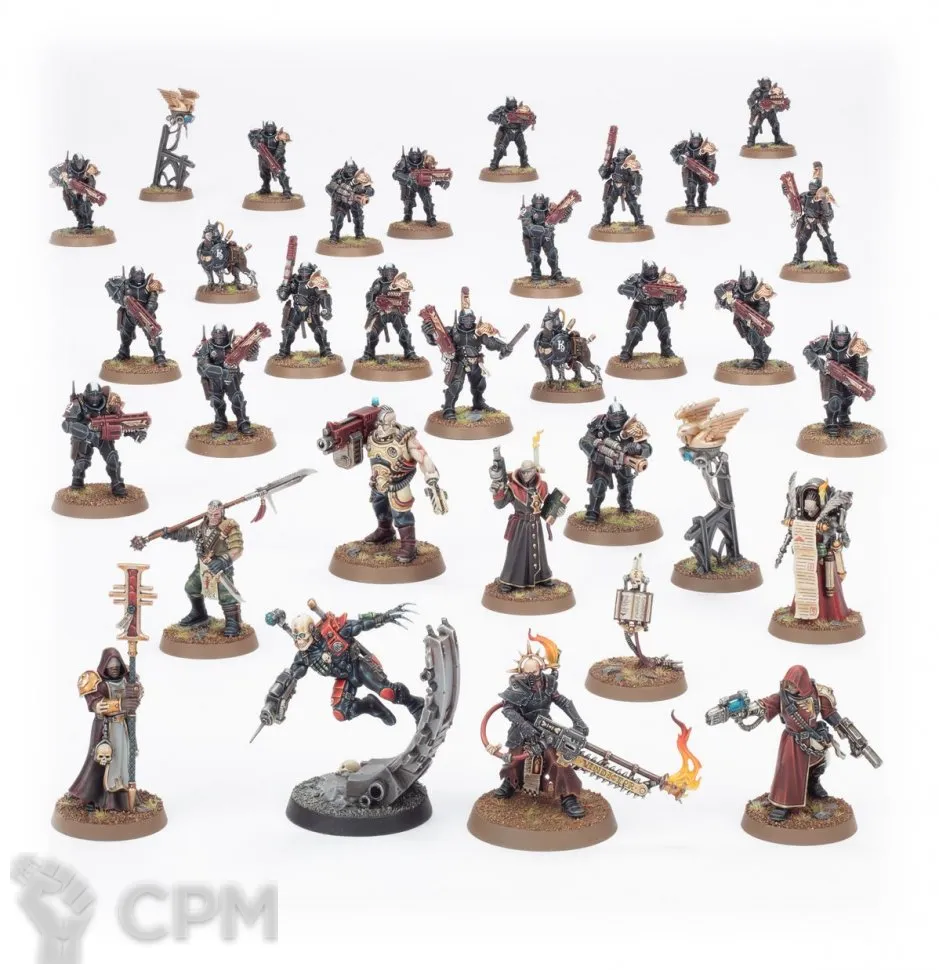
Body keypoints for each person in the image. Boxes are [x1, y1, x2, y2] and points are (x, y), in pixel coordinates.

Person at [490, 634, 588, 819]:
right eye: (526, 673)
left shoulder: (548, 683)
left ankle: (568, 796)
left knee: (558, 760)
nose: (530, 677)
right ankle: (511, 782)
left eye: (534, 672)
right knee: (515, 760)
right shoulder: (517, 686)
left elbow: (562, 701)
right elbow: (508, 709)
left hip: (546, 728)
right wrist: (525, 727)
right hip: (521, 730)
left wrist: (578, 721)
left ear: (541, 669)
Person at [68, 649, 142, 812]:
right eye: (110, 664)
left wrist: (135, 691)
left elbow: (138, 693)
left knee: (124, 761)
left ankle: (125, 800)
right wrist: (121, 704)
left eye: (117, 664)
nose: (114, 667)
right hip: (106, 728)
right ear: (104, 665)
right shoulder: (97, 683)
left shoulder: (128, 678)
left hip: (124, 726)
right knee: (102, 764)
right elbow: (98, 705)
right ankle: (100, 799)